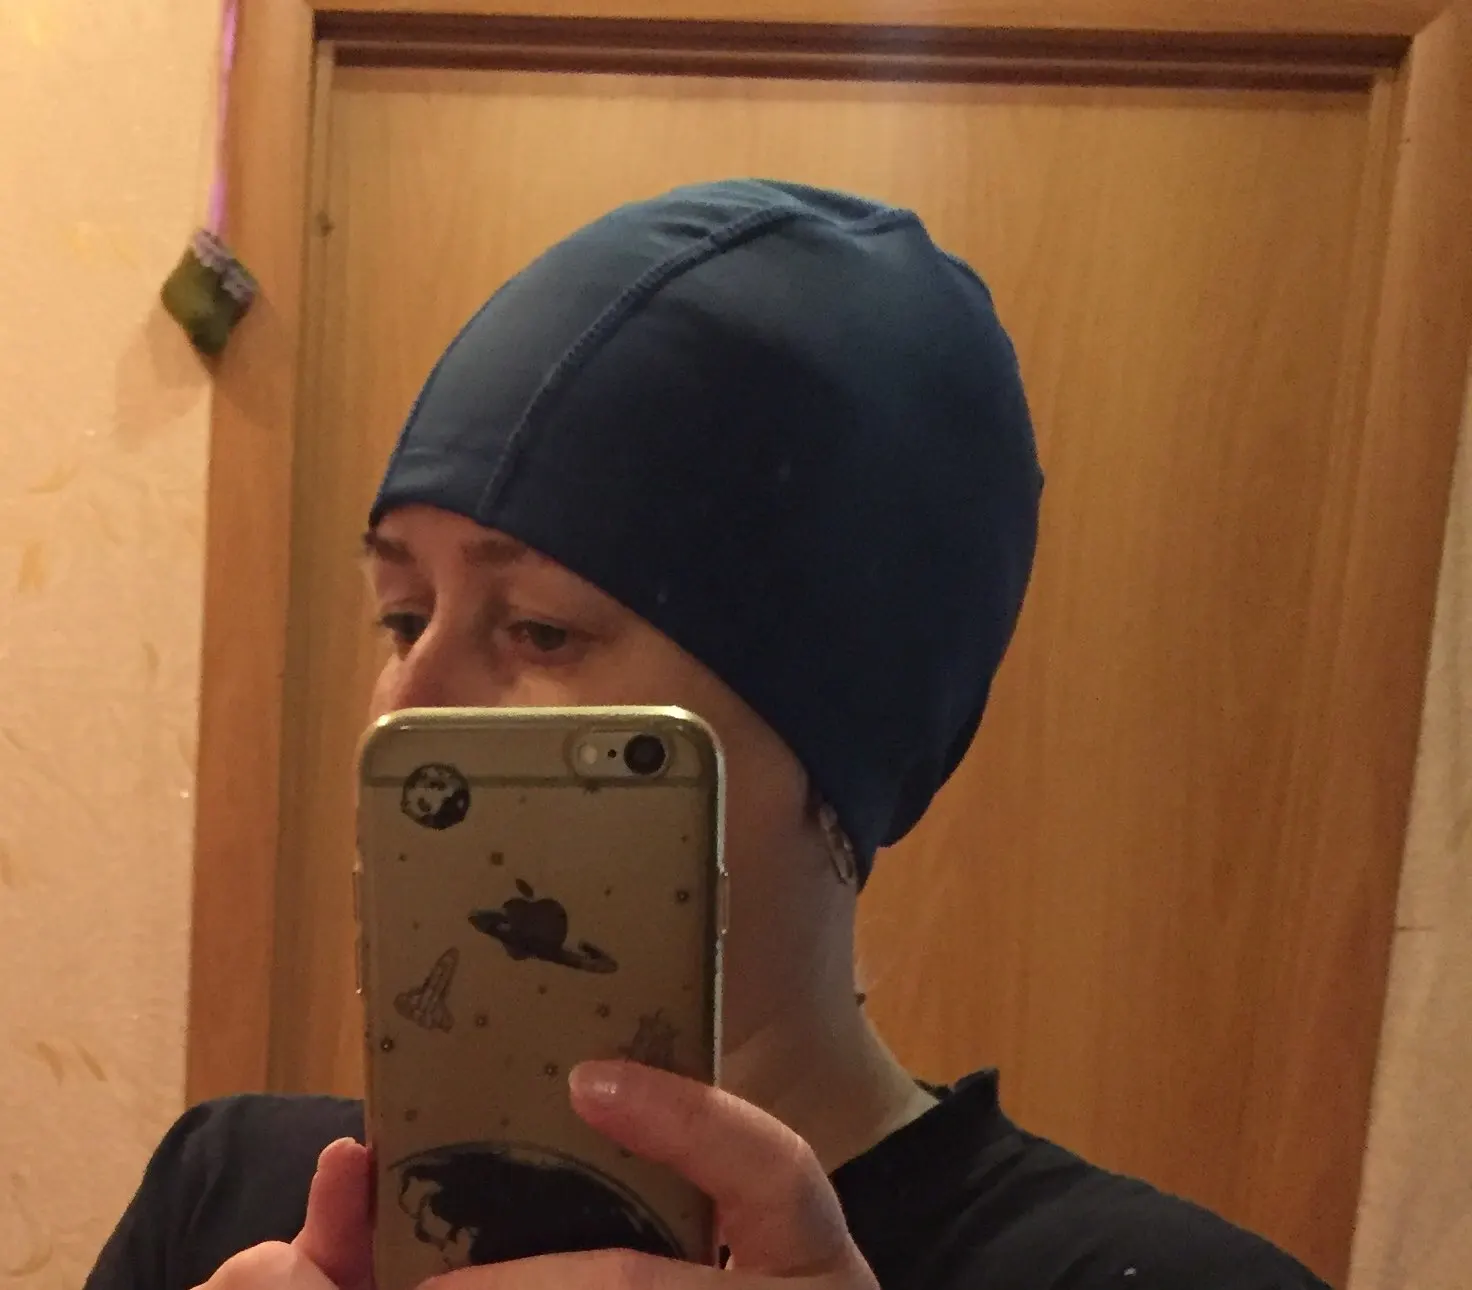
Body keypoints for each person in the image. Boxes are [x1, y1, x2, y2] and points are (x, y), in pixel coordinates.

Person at [85, 180, 1330, 1290]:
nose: (405, 709)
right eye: (402, 616)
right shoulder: (227, 1201)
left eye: (542, 632)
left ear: (836, 731)